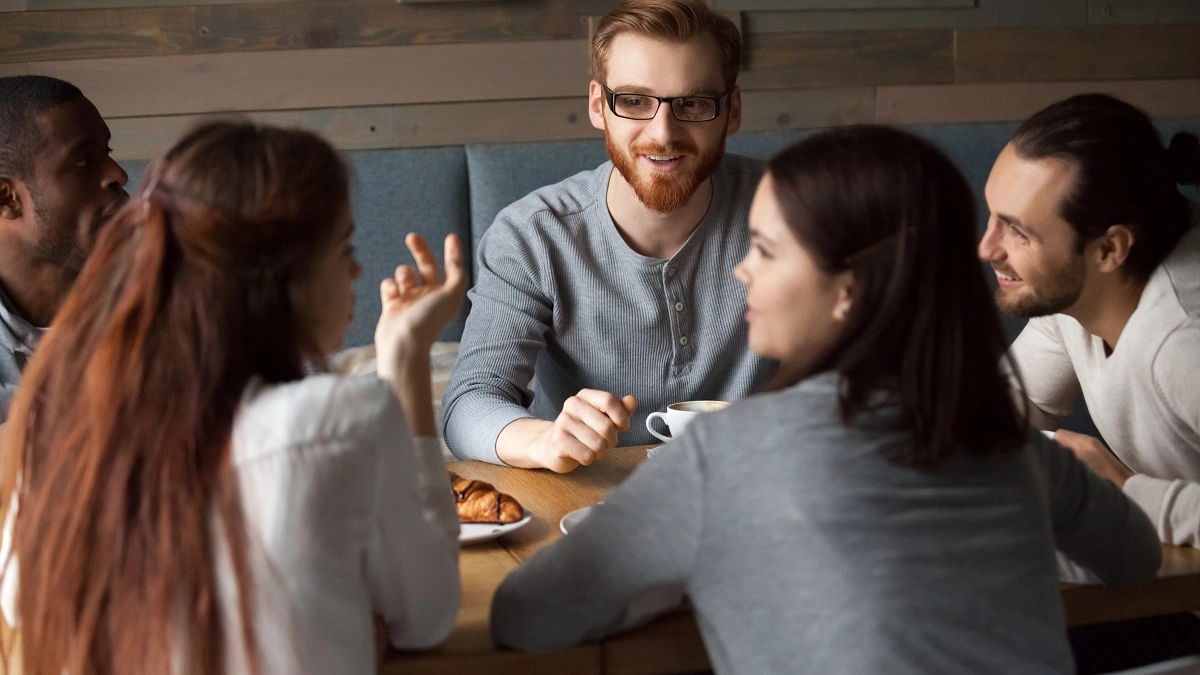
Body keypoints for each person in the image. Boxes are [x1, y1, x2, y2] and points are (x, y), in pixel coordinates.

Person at [489, 126, 1162, 674]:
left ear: (850, 290)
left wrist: (684, 572)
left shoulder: (724, 457)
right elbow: (1136, 557)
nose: (742, 269)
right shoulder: (1004, 438)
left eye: (765, 250)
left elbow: (525, 616)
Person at [0, 121, 466, 675]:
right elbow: (428, 616)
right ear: (278, 277)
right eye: (344, 247)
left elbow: (18, 599)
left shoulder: (61, 420)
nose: (357, 270)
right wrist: (406, 358)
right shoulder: (346, 418)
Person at [441, 0, 772, 472]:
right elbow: (468, 403)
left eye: (693, 103)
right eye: (634, 101)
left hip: (759, 486)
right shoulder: (532, 236)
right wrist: (543, 439)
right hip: (587, 499)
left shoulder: (794, 210)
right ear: (599, 105)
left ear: (731, 110)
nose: (663, 133)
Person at [979, 93, 1200, 673]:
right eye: (992, 216)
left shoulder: (1185, 342)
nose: (987, 248)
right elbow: (999, 412)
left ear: (1109, 248)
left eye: (1017, 231)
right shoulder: (1077, 290)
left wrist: (1126, 490)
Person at [0, 75, 129, 421]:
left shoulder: (175, 295)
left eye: (107, 153)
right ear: (7, 198)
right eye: (82, 161)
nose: (118, 174)